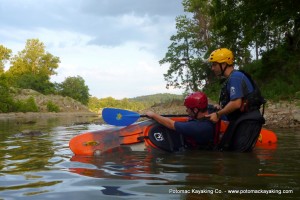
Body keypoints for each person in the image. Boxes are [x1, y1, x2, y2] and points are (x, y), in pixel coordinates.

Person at [206, 48, 265, 152]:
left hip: (247, 121)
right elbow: (236, 102)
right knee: (224, 150)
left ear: (223, 64)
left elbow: (236, 104)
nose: (212, 68)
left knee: (239, 156)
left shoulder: (236, 77)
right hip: (240, 120)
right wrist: (220, 108)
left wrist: (218, 114)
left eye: (214, 64)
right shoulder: (232, 78)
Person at [146, 92, 215, 149]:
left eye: (188, 108)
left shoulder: (198, 127)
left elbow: (171, 124)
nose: (186, 110)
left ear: (195, 110)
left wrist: (153, 115)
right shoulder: (211, 112)